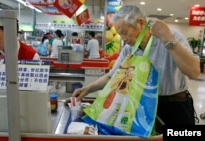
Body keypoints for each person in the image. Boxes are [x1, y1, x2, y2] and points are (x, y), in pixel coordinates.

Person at [72, 5, 200, 125]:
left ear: (140, 23)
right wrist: (86, 89)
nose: (123, 39)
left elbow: (194, 72)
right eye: (120, 34)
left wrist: (168, 40)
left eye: (125, 32)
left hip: (175, 106)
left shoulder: (169, 36)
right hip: (145, 108)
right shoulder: (129, 49)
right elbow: (112, 77)